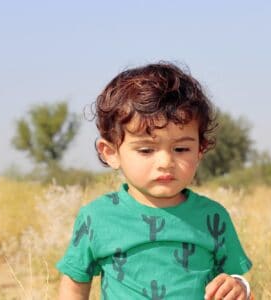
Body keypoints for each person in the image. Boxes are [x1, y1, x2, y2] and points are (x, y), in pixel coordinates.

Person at [57, 62, 253, 299]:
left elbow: (235, 279)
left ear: (200, 150)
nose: (165, 162)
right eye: (146, 150)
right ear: (110, 153)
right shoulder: (97, 218)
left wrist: (239, 286)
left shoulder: (212, 217)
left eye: (181, 149)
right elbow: (75, 283)